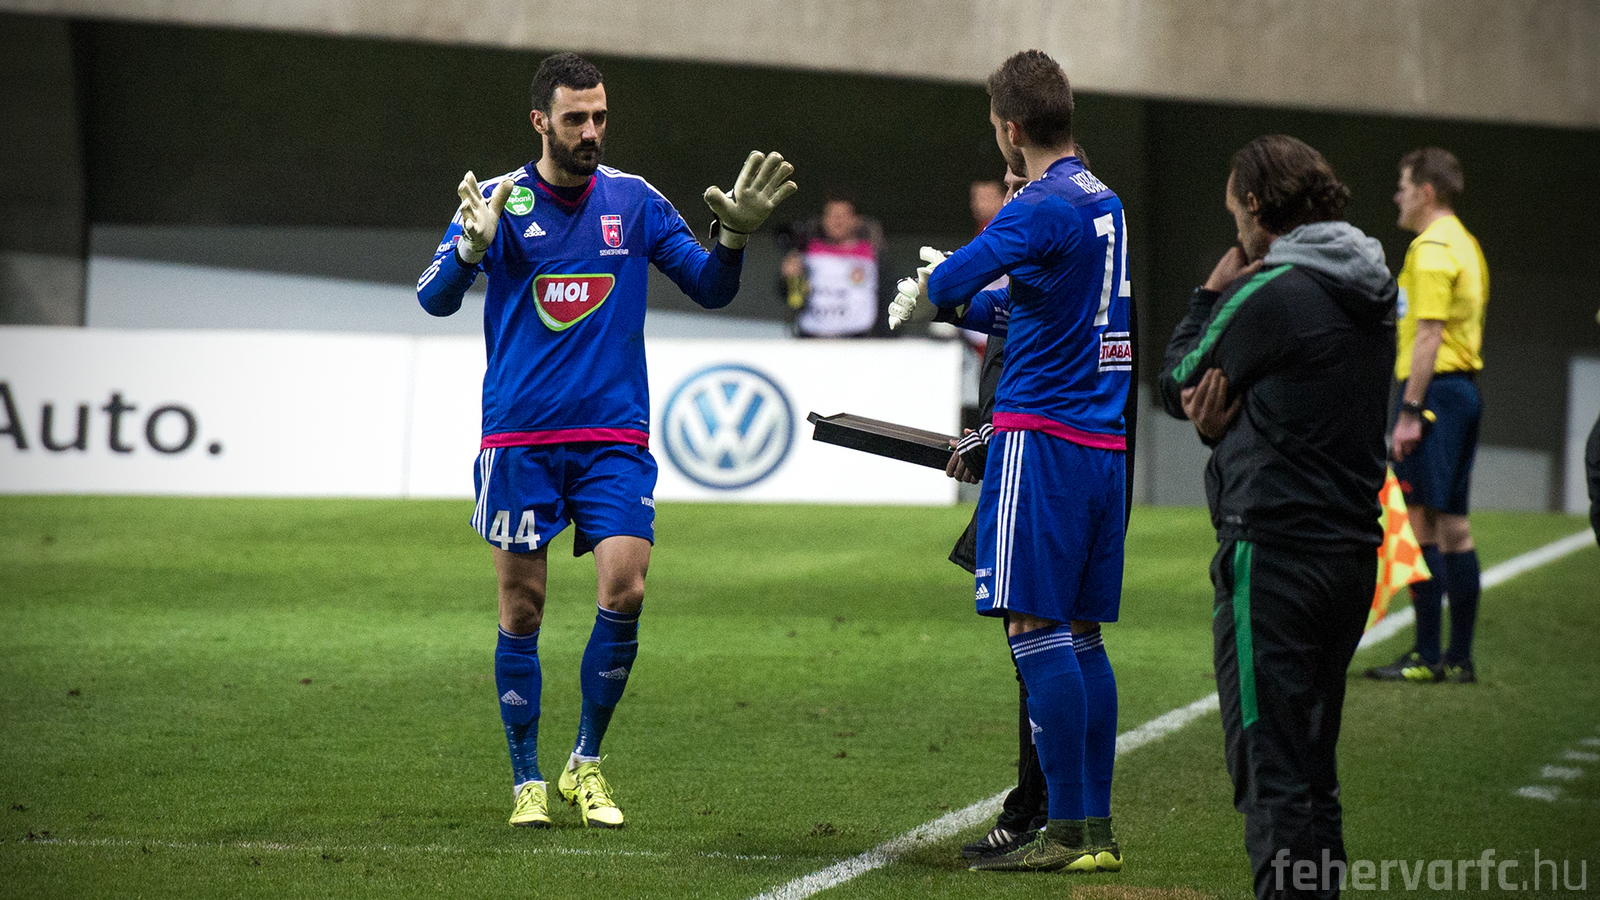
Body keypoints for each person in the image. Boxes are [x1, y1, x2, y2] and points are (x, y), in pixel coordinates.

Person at [416, 52, 795, 829]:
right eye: (575, 119)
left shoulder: (635, 200)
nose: (591, 131)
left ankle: (585, 762)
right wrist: (468, 251)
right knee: (523, 609)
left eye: (600, 117)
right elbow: (432, 299)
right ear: (540, 122)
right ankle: (525, 779)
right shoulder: (497, 201)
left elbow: (711, 287)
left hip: (613, 437)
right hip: (519, 438)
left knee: (627, 589)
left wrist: (733, 238)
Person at [890, 50, 1131, 875]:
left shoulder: (1036, 205)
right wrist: (967, 302)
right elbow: (1037, 300)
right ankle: (1093, 831)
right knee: (1082, 635)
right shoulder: (1102, 200)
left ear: (1011, 128)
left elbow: (955, 277)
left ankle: (1061, 830)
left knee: (1032, 626)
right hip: (1101, 444)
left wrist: (938, 286)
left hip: (1043, 439)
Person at [1158, 135, 1395, 900]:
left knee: (1271, 775)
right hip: (1352, 554)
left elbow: (1177, 378)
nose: (1235, 229)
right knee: (1313, 773)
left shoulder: (1273, 289)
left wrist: (1209, 293)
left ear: (1257, 205)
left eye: (1235, 212)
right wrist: (1229, 426)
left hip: (1275, 559)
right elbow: (1302, 406)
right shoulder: (1372, 286)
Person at [1364, 148, 1489, 685]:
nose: (1398, 196)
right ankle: (1457, 657)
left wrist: (1410, 410)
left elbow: (1429, 333)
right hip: (1461, 391)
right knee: (1453, 527)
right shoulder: (1465, 243)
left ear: (1427, 191)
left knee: (1418, 524)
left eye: (1404, 185)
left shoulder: (1432, 249)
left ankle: (1427, 655)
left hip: (1432, 393)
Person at [778, 190, 884, 337]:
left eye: (844, 215)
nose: (837, 221)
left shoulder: (873, 254)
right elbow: (791, 298)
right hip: (811, 338)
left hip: (857, 340)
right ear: (823, 219)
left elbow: (886, 298)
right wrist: (787, 278)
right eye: (832, 215)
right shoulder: (807, 252)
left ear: (856, 220)